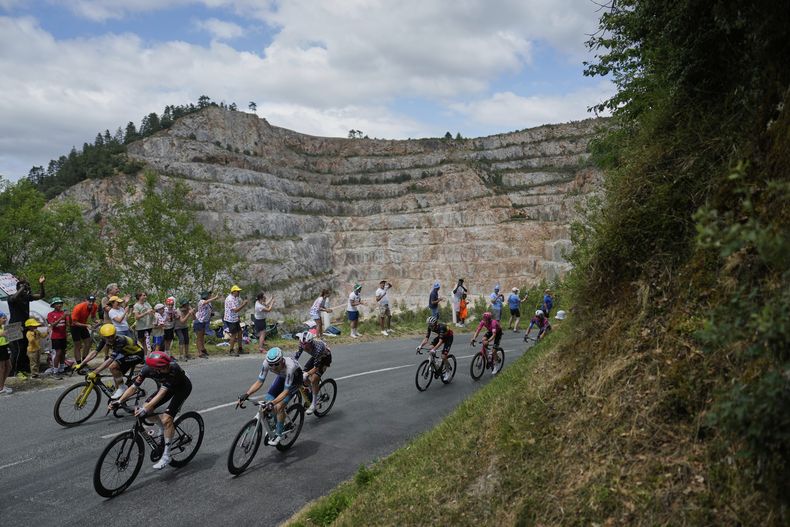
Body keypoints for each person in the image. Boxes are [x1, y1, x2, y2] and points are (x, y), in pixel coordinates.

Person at [110, 351, 192, 469]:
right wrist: (119, 401)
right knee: (147, 410)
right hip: (166, 388)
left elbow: (161, 394)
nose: (168, 367)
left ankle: (166, 456)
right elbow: (133, 387)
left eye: (167, 365)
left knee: (167, 419)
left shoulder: (174, 369)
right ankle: (162, 428)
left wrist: (145, 408)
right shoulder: (146, 370)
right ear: (155, 369)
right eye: (165, 367)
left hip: (182, 388)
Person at [237, 347, 303, 446]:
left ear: (281, 360)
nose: (273, 367)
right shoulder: (267, 363)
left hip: (295, 380)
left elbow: (285, 391)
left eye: (276, 364)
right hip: (282, 376)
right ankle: (275, 424)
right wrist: (247, 394)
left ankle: (279, 433)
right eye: (271, 364)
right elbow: (259, 382)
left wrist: (273, 403)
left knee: (279, 406)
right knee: (268, 400)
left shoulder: (290, 367)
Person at [78, 323, 144, 399]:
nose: (110, 339)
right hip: (127, 354)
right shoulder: (104, 339)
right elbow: (95, 352)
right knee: (116, 376)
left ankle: (123, 388)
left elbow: (110, 360)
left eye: (112, 336)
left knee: (113, 366)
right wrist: (81, 364)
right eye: (108, 337)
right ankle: (121, 398)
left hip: (137, 354)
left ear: (115, 334)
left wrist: (95, 372)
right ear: (103, 336)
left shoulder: (120, 340)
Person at [7, 275, 45, 376]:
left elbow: (41, 295)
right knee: (16, 350)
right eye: (24, 287)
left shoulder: (27, 297)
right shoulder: (11, 298)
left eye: (27, 287)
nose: (26, 289)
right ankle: (13, 371)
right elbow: (15, 297)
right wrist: (22, 286)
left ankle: (23, 368)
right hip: (14, 326)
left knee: (24, 348)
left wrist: (41, 284)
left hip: (25, 325)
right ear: (18, 288)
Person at [294, 331, 332, 415]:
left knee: (314, 379)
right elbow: (295, 358)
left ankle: (314, 403)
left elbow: (316, 368)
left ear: (311, 342)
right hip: (315, 357)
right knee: (303, 376)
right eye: (302, 344)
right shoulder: (302, 343)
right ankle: (313, 390)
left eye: (306, 345)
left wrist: (307, 374)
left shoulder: (318, 348)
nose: (303, 347)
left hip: (325, 358)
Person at [417, 316, 454, 381]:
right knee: (430, 347)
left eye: (431, 325)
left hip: (448, 338)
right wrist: (420, 346)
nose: (429, 326)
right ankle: (433, 363)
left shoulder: (441, 327)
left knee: (443, 356)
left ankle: (448, 372)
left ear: (435, 323)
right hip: (441, 336)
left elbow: (440, 342)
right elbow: (426, 339)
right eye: (428, 325)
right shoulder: (430, 327)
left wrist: (434, 349)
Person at [70, 294, 98, 365]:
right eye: (89, 301)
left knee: (88, 343)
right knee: (78, 345)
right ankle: (79, 363)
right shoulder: (78, 307)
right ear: (86, 301)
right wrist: (86, 325)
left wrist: (97, 321)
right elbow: (74, 322)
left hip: (83, 325)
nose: (91, 303)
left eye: (93, 301)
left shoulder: (94, 306)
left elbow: (93, 317)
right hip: (74, 326)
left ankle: (84, 362)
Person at [224, 285, 249, 356]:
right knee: (234, 335)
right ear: (233, 291)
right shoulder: (230, 299)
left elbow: (236, 309)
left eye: (239, 291)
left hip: (234, 318)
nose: (239, 292)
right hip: (230, 319)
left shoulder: (235, 298)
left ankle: (240, 349)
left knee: (240, 332)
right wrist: (243, 304)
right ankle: (231, 351)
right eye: (238, 291)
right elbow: (235, 310)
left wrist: (238, 316)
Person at [46, 297, 68, 376]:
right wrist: (62, 317)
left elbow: (68, 323)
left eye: (60, 303)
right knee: (58, 353)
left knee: (63, 352)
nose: (59, 305)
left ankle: (62, 369)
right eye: (57, 304)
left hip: (63, 335)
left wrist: (70, 316)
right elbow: (53, 325)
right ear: (54, 305)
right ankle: (55, 370)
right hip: (56, 336)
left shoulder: (63, 313)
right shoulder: (50, 314)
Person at [193, 291, 217, 359]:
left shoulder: (209, 303)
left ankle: (203, 349)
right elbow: (205, 303)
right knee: (199, 338)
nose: (210, 295)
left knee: (202, 336)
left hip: (204, 321)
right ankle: (200, 352)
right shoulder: (201, 301)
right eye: (209, 295)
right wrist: (215, 298)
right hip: (199, 321)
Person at [0, 312, 11, 393]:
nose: (5, 320)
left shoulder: (3, 327)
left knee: (9, 367)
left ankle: (2, 384)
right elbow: (3, 334)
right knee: (2, 368)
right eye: (3, 318)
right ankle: (1, 387)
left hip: (4, 347)